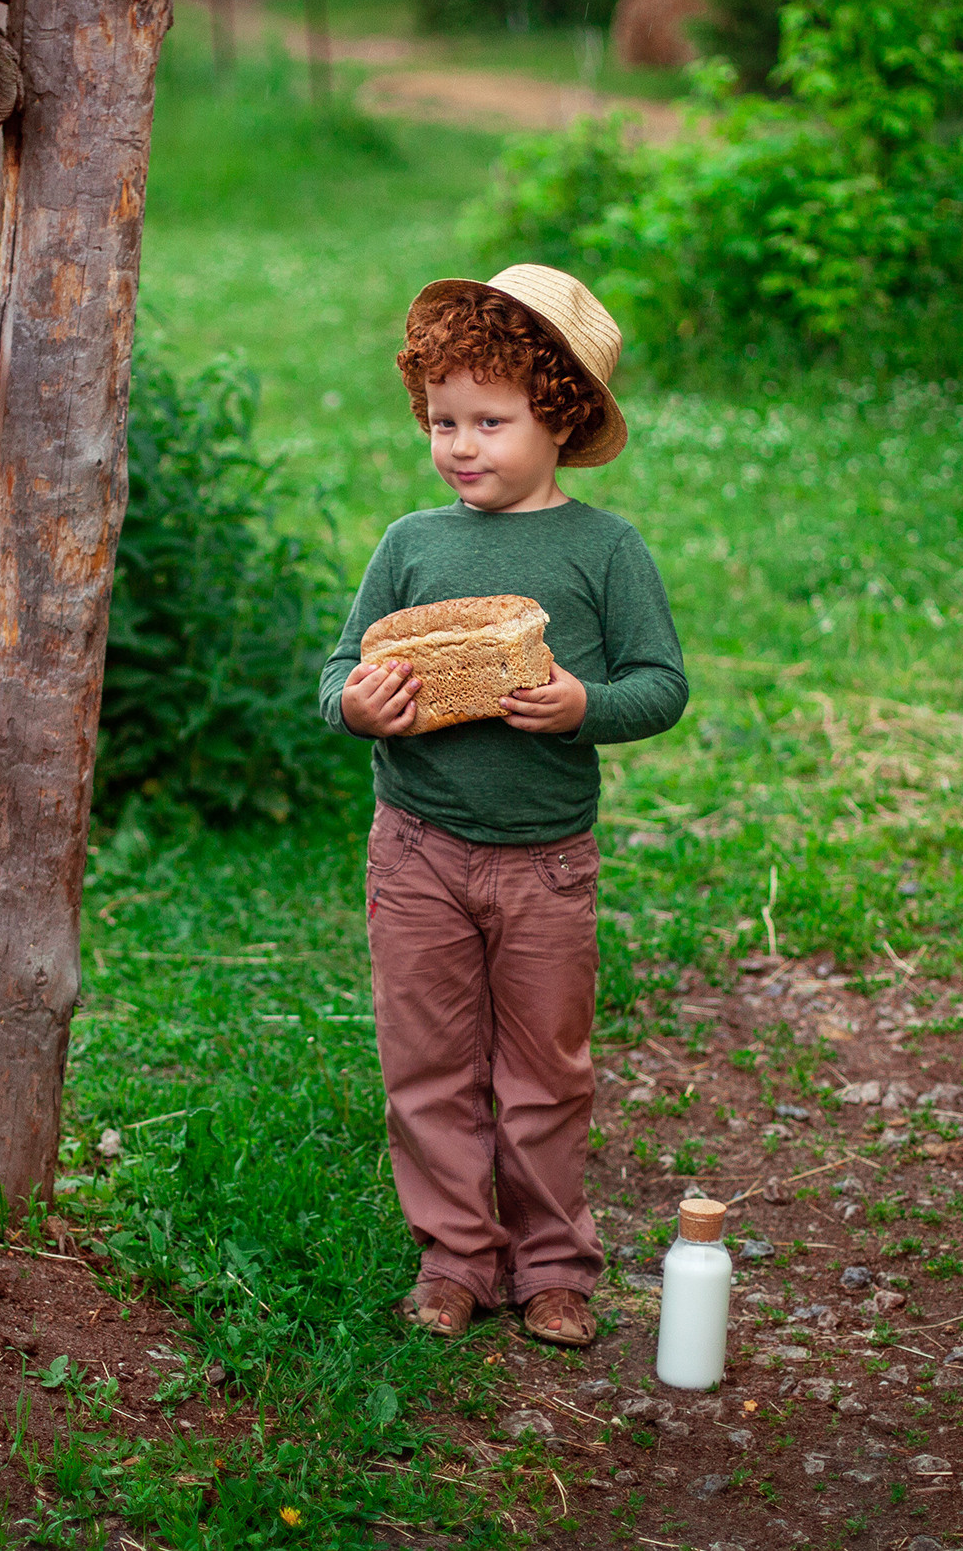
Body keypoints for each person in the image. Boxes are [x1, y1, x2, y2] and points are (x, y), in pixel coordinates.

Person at [318, 265, 688, 1347]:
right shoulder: (412, 545)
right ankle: (456, 1257)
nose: (460, 445)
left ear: (558, 419)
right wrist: (360, 705)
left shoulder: (605, 550)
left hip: (545, 861)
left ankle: (552, 1264)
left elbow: (659, 684)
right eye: (442, 421)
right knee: (427, 1063)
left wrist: (582, 705)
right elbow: (340, 667)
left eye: (490, 420)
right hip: (417, 848)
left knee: (542, 1072)